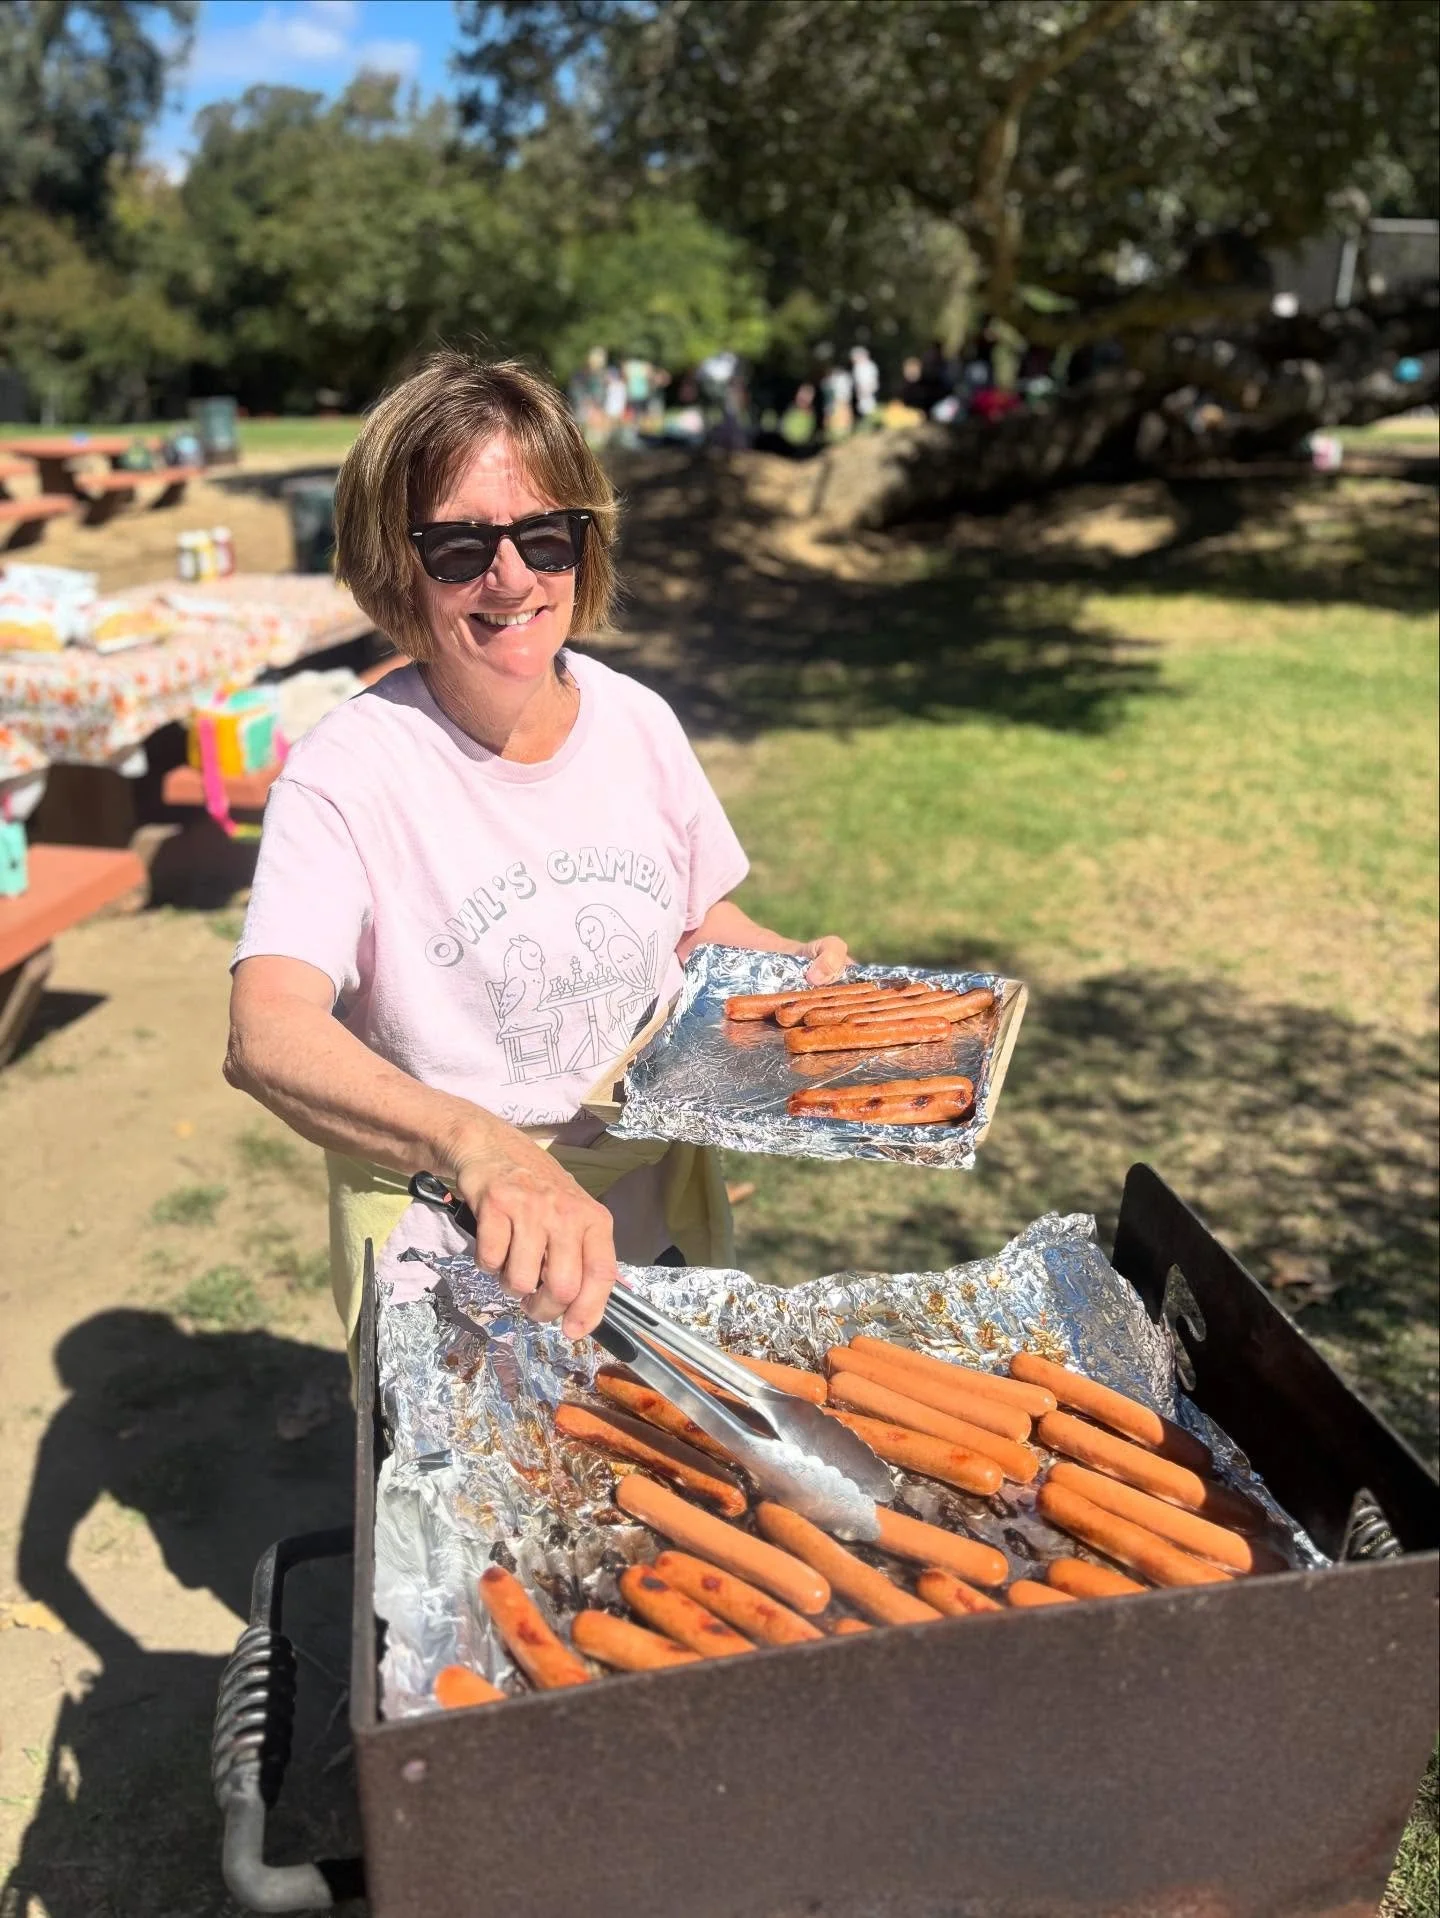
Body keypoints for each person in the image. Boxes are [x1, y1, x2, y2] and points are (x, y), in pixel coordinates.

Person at [224, 350, 849, 1353]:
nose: (511, 576)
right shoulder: (348, 772)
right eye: (460, 548)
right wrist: (481, 1146)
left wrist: (793, 978)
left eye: (544, 538)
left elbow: (695, 921)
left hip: (648, 1228)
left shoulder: (637, 721)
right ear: (397, 563)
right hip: (461, 1252)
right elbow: (266, 1030)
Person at [849, 345, 879, 421]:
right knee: (862, 409)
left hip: (869, 391)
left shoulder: (870, 366)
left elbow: (873, 381)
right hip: (861, 392)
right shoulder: (857, 367)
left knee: (870, 408)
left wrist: (868, 389)